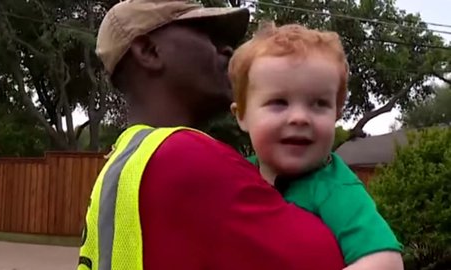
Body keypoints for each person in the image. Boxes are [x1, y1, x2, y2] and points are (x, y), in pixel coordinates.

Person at [78, 0, 345, 269]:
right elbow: (332, 258)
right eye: (209, 36)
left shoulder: (123, 162)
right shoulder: (186, 156)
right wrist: (335, 188)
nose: (228, 49)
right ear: (149, 51)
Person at [229, 22, 404, 269]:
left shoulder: (335, 189)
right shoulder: (231, 176)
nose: (299, 117)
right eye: (279, 102)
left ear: (336, 114)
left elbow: (385, 263)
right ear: (242, 116)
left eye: (319, 104)